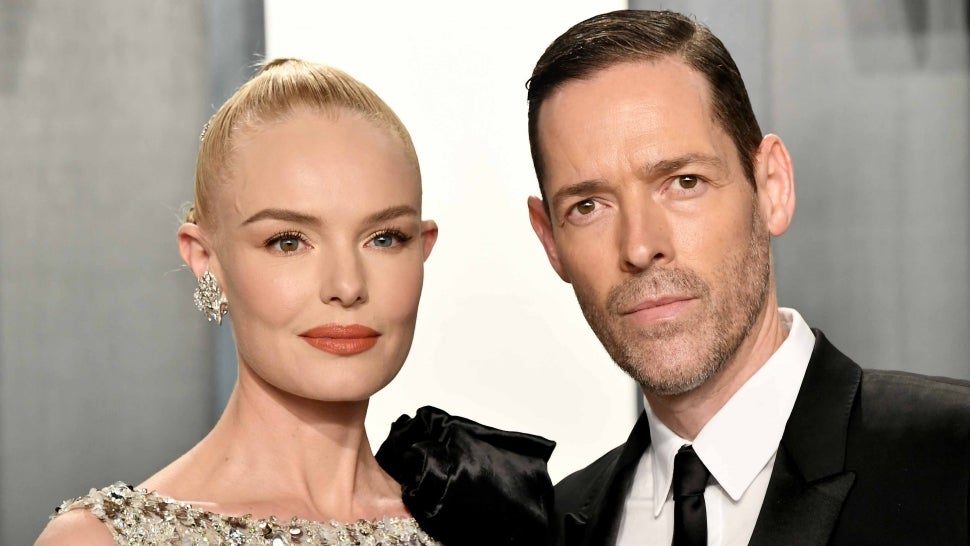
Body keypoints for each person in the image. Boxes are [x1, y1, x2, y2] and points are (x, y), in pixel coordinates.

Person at [36, 58, 554, 546]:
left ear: (422, 249)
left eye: (384, 238)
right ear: (205, 257)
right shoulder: (100, 540)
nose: (346, 285)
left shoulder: (491, 514)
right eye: (288, 242)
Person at [525, 9, 970, 546]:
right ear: (550, 241)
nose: (640, 247)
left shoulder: (955, 460)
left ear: (772, 187)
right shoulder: (549, 526)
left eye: (684, 182)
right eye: (588, 206)